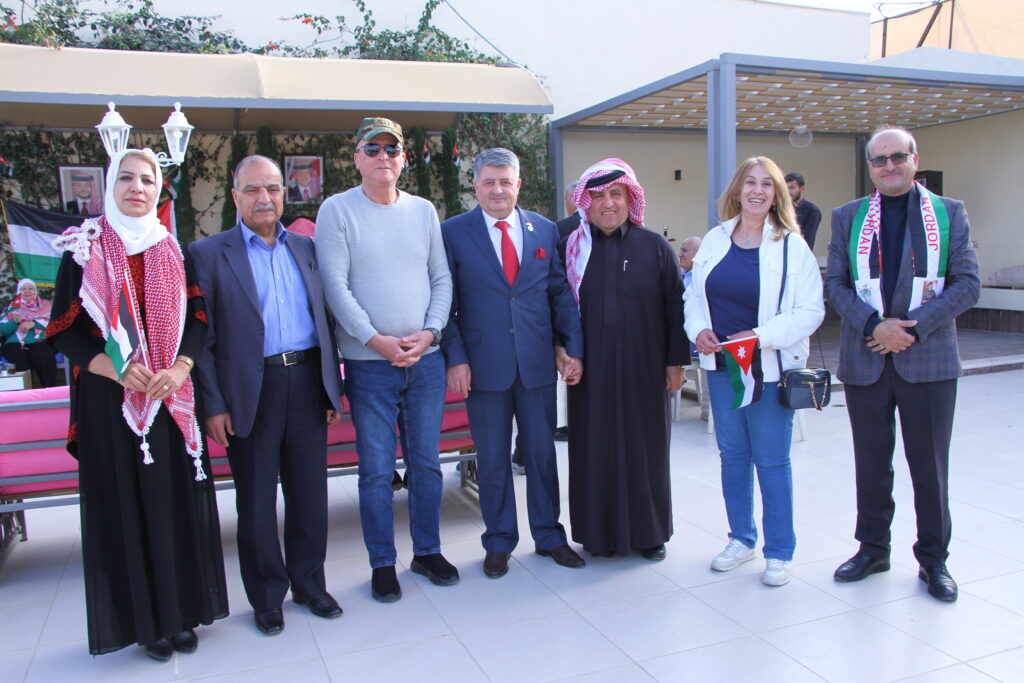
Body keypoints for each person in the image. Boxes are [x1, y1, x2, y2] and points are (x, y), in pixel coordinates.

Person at [46, 148, 227, 661]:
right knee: (129, 507)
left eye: (147, 179)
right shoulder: (84, 249)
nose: (137, 188)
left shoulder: (172, 249)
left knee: (172, 505)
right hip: (111, 402)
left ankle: (182, 614)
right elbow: (62, 331)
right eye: (125, 178)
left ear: (158, 190)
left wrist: (181, 368)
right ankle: (147, 625)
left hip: (168, 398)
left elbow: (198, 319)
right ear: (110, 187)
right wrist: (116, 369)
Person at [190, 155, 344, 635]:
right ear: (235, 196)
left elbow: (326, 321)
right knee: (256, 501)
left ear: (284, 194)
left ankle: (310, 584)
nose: (264, 198)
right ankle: (266, 596)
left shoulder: (307, 247)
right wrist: (214, 404)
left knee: (310, 495)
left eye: (273, 188)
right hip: (249, 391)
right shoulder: (208, 253)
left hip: (306, 381)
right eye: (253, 189)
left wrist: (331, 388)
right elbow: (202, 339)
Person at [825, 126, 980, 602]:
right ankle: (873, 549)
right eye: (880, 159)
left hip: (928, 360)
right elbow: (835, 285)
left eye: (897, 157)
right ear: (870, 167)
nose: (889, 166)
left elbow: (967, 283)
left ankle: (934, 560)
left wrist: (910, 328)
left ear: (915, 159)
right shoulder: (848, 217)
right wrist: (875, 326)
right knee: (871, 464)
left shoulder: (948, 213)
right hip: (867, 359)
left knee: (930, 468)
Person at [315, 117, 457, 603]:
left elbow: (441, 278)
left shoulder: (423, 211)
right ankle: (381, 562)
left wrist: (430, 332)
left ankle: (427, 551)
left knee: (426, 464)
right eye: (372, 149)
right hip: (368, 364)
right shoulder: (337, 211)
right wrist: (376, 340)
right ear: (356, 157)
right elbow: (335, 287)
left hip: (426, 361)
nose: (382, 157)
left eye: (391, 149)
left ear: (403, 158)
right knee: (376, 470)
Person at [442, 148, 585, 579]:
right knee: (492, 460)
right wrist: (456, 358)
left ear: (518, 184)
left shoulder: (544, 229)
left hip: (537, 363)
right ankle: (499, 541)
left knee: (542, 455)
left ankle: (549, 536)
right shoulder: (453, 232)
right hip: (482, 367)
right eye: (489, 182)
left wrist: (572, 347)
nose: (498, 190)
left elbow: (559, 293)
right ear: (476, 186)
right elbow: (445, 304)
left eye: (505, 181)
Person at [684, 156, 824, 586]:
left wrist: (760, 336)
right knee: (732, 456)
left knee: (771, 460)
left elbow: (810, 311)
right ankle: (741, 539)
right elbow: (693, 297)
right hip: (723, 368)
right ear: (737, 190)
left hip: (768, 370)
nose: (757, 190)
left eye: (766, 184)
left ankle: (779, 551)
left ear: (777, 194)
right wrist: (699, 329)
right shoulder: (715, 239)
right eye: (750, 182)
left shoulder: (791, 246)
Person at [562, 158, 686, 560]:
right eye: (598, 196)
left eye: (616, 194)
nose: (608, 203)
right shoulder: (573, 249)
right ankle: (598, 536)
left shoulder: (654, 247)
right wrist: (564, 353)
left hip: (645, 370)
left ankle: (650, 535)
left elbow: (675, 307)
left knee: (645, 452)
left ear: (630, 198)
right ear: (586, 202)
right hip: (591, 373)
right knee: (594, 451)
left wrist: (675, 363)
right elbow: (558, 307)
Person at [1, 278, 58, 386]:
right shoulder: (11, 308)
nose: (27, 291)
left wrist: (34, 324)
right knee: (18, 358)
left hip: (39, 339)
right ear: (19, 292)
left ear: (35, 291)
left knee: (43, 356)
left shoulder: (45, 304)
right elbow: (3, 330)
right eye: (23, 289)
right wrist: (14, 322)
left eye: (30, 288)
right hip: (15, 342)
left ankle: (49, 390)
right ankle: (24, 392)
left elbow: (53, 322)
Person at [784, 172, 822, 250]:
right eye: (785, 188)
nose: (788, 192)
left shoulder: (812, 211)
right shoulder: (779, 208)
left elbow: (808, 243)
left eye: (791, 188)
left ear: (802, 189)